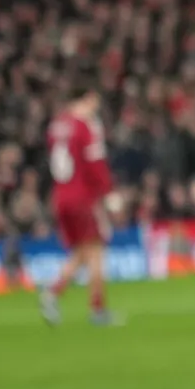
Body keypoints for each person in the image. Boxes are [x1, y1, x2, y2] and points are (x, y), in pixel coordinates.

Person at [41, 79, 121, 327]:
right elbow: (95, 163)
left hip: (61, 196)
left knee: (83, 250)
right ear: (87, 98)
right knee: (96, 252)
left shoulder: (56, 125)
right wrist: (109, 193)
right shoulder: (86, 125)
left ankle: (53, 293)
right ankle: (97, 309)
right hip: (84, 197)